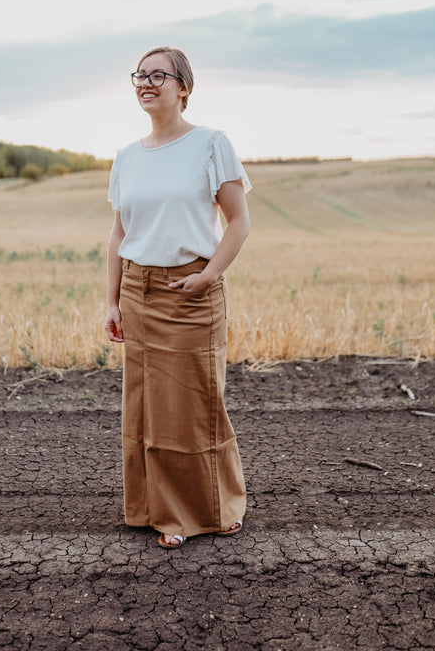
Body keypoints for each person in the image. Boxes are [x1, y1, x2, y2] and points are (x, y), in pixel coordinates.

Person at [104, 46, 251, 549]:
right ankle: (156, 510)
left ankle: (213, 509)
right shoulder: (126, 156)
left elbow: (239, 223)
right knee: (146, 407)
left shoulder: (211, 144)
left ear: (183, 87)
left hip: (190, 290)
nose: (145, 82)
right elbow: (118, 235)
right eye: (139, 76)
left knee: (193, 404)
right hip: (137, 291)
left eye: (157, 75)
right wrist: (112, 301)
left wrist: (209, 276)